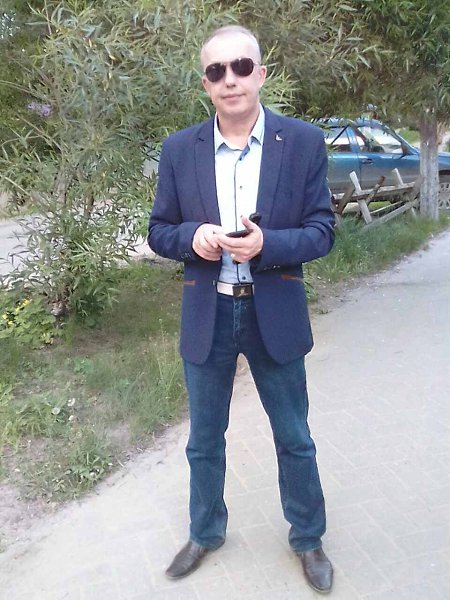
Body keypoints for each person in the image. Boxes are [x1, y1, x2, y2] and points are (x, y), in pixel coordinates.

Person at [148, 25, 335, 594]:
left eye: (241, 67)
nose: (229, 79)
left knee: (294, 436)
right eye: (216, 71)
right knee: (204, 439)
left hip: (272, 312)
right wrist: (193, 237)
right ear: (206, 83)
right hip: (208, 314)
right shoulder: (180, 149)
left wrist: (266, 245)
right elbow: (159, 231)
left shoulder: (301, 142)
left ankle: (308, 538)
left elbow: (323, 231)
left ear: (260, 73)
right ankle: (204, 532)